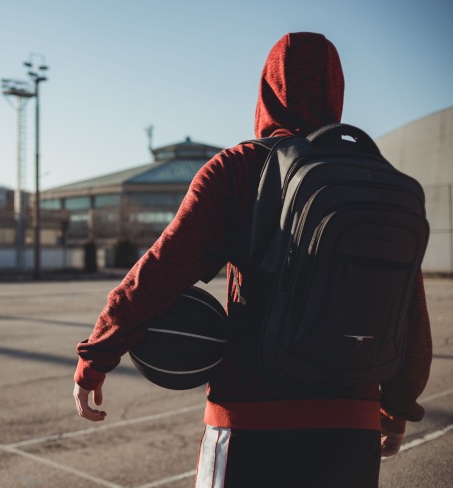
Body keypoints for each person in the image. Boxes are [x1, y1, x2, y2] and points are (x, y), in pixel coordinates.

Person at [72, 32, 432, 487]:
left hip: (252, 420)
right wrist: (397, 406)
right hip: (351, 424)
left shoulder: (240, 168)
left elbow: (160, 272)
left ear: (267, 89)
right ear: (337, 91)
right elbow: (406, 308)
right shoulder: (377, 182)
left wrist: (96, 356)